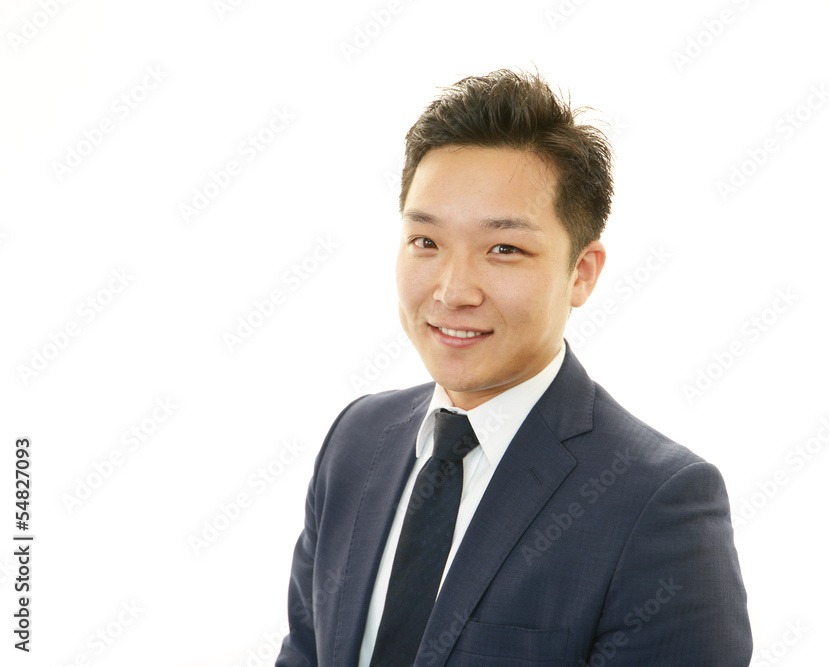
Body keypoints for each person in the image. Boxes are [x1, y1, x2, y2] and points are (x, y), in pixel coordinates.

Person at [276, 68, 752, 667]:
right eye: (426, 241)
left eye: (504, 249)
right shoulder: (357, 440)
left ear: (582, 273)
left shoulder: (657, 503)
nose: (453, 291)